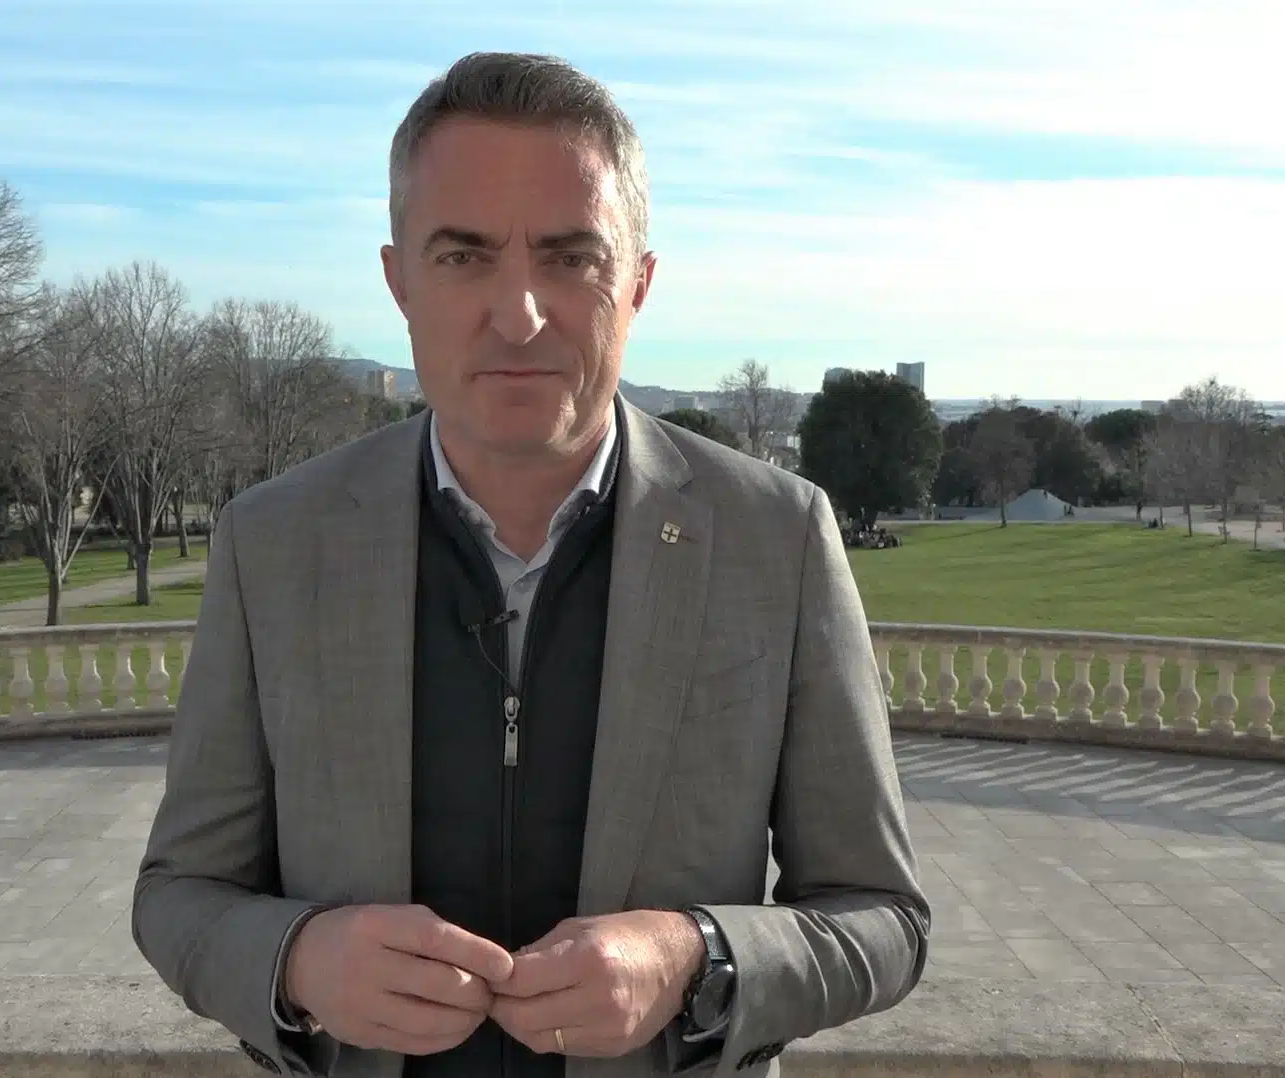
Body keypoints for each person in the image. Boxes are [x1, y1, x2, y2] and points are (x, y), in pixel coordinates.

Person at [134, 51, 930, 1078]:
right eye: (463, 256)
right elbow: (179, 894)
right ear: (399, 282)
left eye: (570, 258)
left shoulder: (776, 538)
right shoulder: (272, 541)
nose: (517, 313)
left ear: (636, 284)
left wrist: (697, 958)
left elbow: (881, 916)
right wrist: (296, 960)